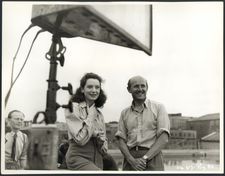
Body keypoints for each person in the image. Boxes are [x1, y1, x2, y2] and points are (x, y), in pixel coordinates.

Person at [115, 76, 170, 171]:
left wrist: (145, 158)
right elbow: (121, 140)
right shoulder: (124, 113)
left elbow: (164, 138)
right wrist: (131, 160)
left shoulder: (159, 108)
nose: (140, 89)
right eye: (136, 86)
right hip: (130, 160)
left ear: (147, 88)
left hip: (153, 158)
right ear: (129, 89)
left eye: (143, 86)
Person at [65, 72, 108, 170]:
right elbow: (80, 139)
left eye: (97, 87)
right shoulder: (73, 107)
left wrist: (100, 141)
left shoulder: (100, 114)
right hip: (78, 157)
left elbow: (104, 149)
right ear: (82, 89)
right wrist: (91, 116)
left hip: (97, 158)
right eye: (90, 87)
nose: (94, 90)